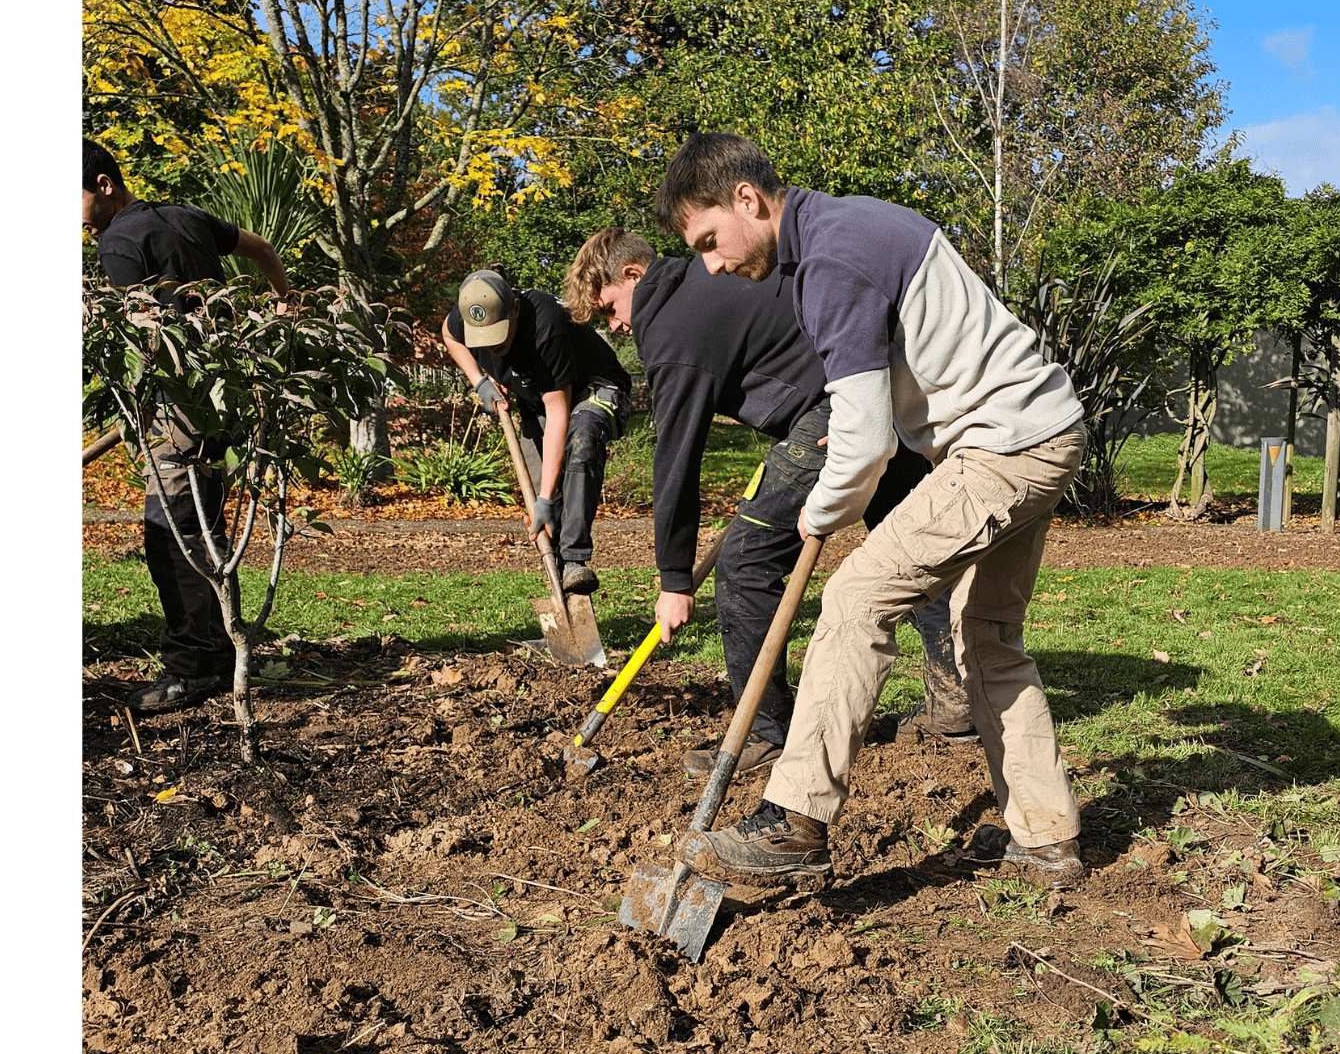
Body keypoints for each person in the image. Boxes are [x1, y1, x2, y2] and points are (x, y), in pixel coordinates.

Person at [654, 133, 1093, 889]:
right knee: (985, 637)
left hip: (1001, 446)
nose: (713, 264)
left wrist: (820, 512)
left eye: (709, 240)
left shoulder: (828, 260)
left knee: (857, 598)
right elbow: (888, 380)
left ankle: (796, 822)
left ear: (747, 201)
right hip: (1044, 428)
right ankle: (1046, 837)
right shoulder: (843, 228)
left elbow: (861, 447)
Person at [562, 228, 978, 779]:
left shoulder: (669, 326)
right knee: (909, 546)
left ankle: (766, 733)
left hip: (833, 411)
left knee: (744, 566)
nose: (614, 326)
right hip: (875, 388)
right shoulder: (705, 281)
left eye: (610, 308)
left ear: (632, 275)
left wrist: (674, 580)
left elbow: (677, 459)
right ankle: (957, 707)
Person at [82, 138, 293, 713]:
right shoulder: (185, 216)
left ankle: (191, 668)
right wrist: (282, 309)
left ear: (104, 184)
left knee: (171, 532)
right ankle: (224, 652)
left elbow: (141, 339)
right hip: (222, 395)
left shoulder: (119, 243)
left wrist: (136, 406)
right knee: (205, 525)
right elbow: (265, 250)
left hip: (176, 407)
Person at [439, 269, 632, 595]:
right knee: (544, 503)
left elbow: (560, 413)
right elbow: (449, 335)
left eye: (498, 334)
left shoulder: (547, 326)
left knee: (581, 438)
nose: (493, 346)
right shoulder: (466, 316)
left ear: (514, 308)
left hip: (595, 388)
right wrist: (480, 381)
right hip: (538, 400)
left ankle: (575, 561)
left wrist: (545, 498)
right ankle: (565, 595)